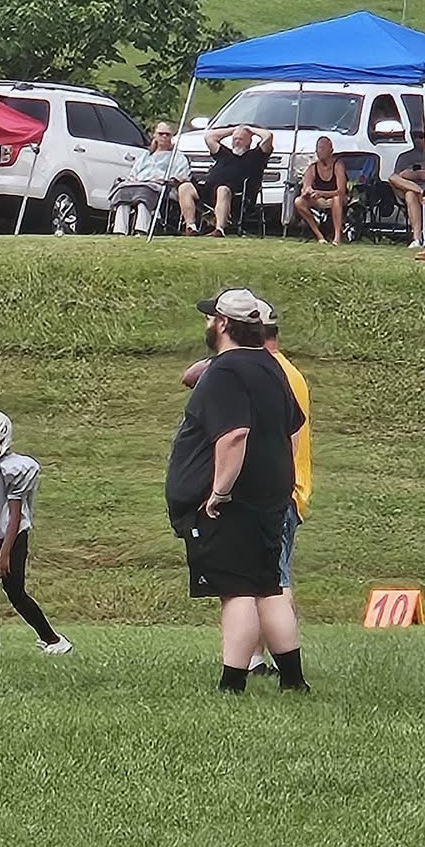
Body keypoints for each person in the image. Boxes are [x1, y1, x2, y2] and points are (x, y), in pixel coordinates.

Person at [166, 289, 308, 693]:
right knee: (270, 588)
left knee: (237, 591)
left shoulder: (226, 372)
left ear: (224, 325)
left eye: (212, 318)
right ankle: (293, 680)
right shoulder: (271, 366)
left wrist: (220, 492)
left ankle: (232, 683)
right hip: (270, 497)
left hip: (234, 504)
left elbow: (234, 435)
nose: (208, 323)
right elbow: (293, 429)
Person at [0, 409, 70, 655]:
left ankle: (53, 640)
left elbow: (14, 513)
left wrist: (4, 553)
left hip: (11, 538)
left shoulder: (14, 468)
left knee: (16, 594)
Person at [111, 123, 198, 236]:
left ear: (171, 137)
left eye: (167, 134)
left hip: (160, 187)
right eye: (161, 134)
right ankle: (120, 231)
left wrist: (168, 180)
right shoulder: (146, 156)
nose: (164, 137)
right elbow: (134, 173)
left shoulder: (177, 157)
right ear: (154, 136)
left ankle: (141, 230)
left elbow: (183, 176)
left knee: (144, 195)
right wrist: (132, 180)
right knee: (124, 194)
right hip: (139, 184)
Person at [200, 124, 274, 235]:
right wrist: (233, 130)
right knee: (185, 187)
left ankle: (219, 229)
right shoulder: (223, 153)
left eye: (241, 139)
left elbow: (268, 136)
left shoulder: (257, 155)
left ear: (249, 141)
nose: (237, 141)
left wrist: (250, 129)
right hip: (209, 194)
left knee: (223, 189)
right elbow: (209, 137)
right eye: (235, 139)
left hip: (239, 196)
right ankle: (190, 227)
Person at [291, 135, 348, 243]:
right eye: (317, 148)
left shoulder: (338, 165)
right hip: (319, 199)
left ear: (331, 150)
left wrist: (322, 193)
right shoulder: (313, 168)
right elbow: (306, 187)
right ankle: (319, 235)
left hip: (335, 198)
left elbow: (341, 191)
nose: (319, 151)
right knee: (299, 202)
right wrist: (307, 191)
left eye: (322, 148)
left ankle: (337, 237)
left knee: (337, 199)